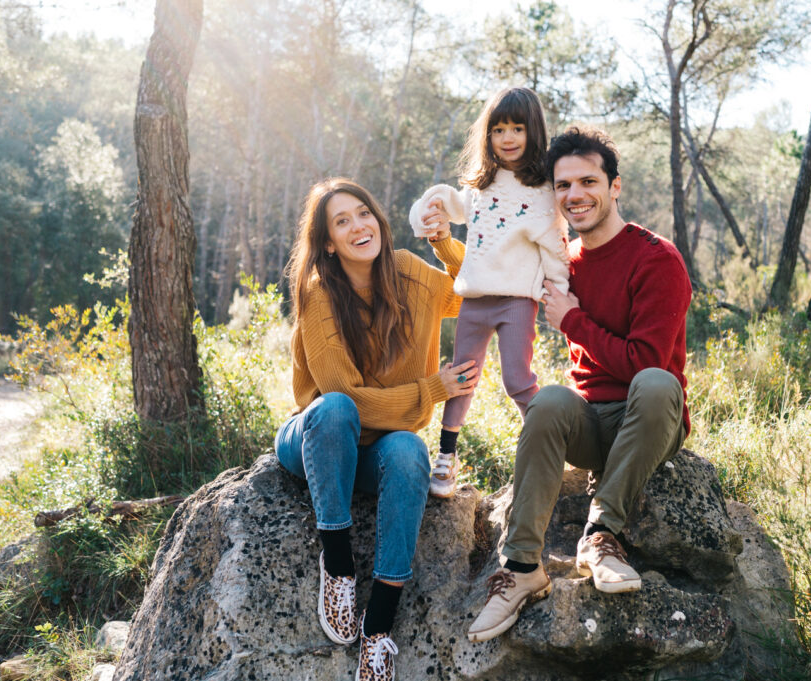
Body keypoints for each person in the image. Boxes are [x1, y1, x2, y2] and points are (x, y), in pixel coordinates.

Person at [467, 126, 692, 643]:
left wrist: (572, 320)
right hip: (590, 424)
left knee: (657, 382)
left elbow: (644, 366)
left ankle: (601, 535)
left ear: (615, 187)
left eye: (588, 181)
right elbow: (487, 270)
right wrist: (439, 239)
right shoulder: (560, 259)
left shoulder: (657, 259)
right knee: (547, 400)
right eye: (563, 185)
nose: (575, 195)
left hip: (649, 419)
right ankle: (522, 567)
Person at [275, 178, 477, 680]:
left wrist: (442, 241)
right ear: (327, 241)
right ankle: (338, 568)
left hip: (380, 449)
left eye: (362, 213)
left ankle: (379, 626)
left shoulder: (408, 272)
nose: (357, 226)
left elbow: (473, 286)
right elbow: (347, 400)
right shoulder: (319, 294)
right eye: (341, 222)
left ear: (378, 219)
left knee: (410, 449)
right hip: (319, 439)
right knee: (337, 407)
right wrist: (432, 390)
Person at [408, 86, 569, 499]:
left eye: (517, 128)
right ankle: (446, 456)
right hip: (475, 301)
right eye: (499, 129)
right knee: (462, 376)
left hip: (517, 301)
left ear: (534, 132)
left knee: (518, 378)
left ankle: (548, 448)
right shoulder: (481, 186)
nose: (509, 137)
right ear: (488, 136)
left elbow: (555, 248)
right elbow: (452, 206)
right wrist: (430, 209)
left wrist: (561, 295)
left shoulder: (542, 192)